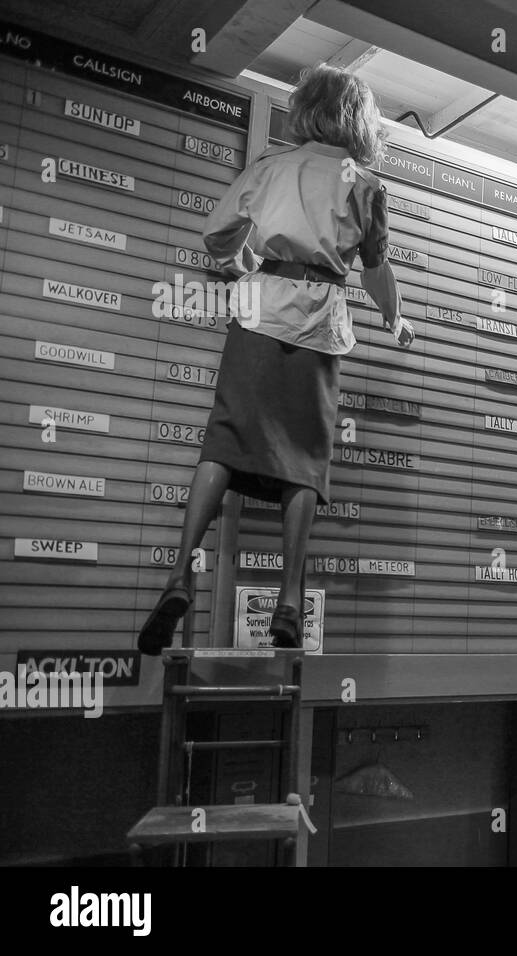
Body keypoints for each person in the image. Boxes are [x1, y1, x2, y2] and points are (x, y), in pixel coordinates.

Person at [137, 64, 414, 654]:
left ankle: (179, 573)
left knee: (224, 441)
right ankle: (289, 601)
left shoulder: (268, 165)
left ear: (305, 108)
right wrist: (394, 317)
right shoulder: (362, 184)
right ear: (358, 120)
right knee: (305, 461)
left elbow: (216, 237)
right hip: (318, 326)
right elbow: (374, 269)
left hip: (258, 316)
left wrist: (245, 263)